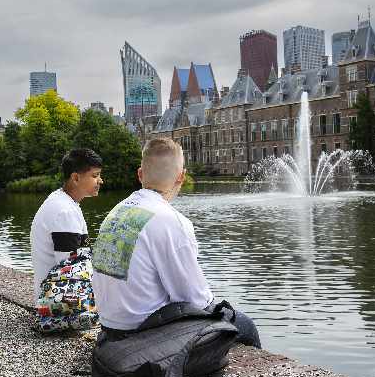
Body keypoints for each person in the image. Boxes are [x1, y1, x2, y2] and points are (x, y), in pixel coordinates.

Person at [92, 138, 260, 347]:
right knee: (245, 325)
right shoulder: (172, 221)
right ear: (181, 176)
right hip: (141, 334)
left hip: (110, 328)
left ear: (140, 174)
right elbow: (197, 301)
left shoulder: (117, 211)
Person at [31, 148, 103, 331]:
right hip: (58, 304)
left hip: (54, 295)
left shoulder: (63, 201)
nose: (100, 181)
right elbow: (70, 271)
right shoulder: (64, 211)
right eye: (95, 176)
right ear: (76, 178)